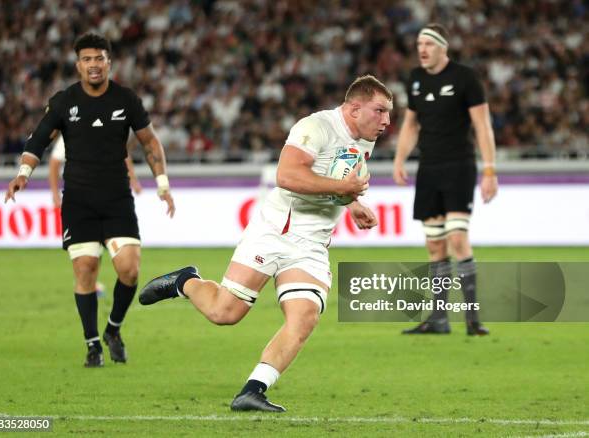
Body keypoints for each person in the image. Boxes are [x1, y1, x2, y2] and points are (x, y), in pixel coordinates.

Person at [140, 75, 393, 412]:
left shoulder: (365, 137)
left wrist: (352, 204)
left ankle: (253, 390)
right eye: (380, 111)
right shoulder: (315, 127)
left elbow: (334, 179)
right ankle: (184, 282)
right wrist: (345, 191)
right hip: (276, 229)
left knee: (305, 316)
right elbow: (286, 176)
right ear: (354, 108)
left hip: (312, 241)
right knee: (224, 312)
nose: (387, 121)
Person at [5, 33, 175, 367]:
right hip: (79, 200)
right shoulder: (64, 101)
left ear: (109, 62)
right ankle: (92, 344)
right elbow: (39, 139)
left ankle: (113, 329)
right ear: (78, 64)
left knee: (129, 269)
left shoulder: (126, 99)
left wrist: (163, 183)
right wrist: (23, 173)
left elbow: (150, 143)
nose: (93, 65)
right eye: (86, 59)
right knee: (86, 269)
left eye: (99, 58)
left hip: (116, 199)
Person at [393, 24, 498, 336]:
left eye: (428, 44)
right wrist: (400, 158)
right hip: (429, 168)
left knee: (456, 238)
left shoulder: (465, 78)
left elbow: (483, 125)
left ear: (443, 47)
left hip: (459, 166)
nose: (422, 49)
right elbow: (411, 124)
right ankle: (438, 319)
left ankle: (472, 319)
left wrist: (489, 169)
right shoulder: (416, 79)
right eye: (418, 44)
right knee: (435, 245)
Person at [48, 134, 143, 298]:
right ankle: (87, 284)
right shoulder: (71, 132)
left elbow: (122, 155)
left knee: (106, 247)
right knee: (88, 249)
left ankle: (91, 283)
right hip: (82, 200)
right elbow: (54, 163)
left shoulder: (108, 127)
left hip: (110, 199)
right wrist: (55, 194)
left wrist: (133, 180)